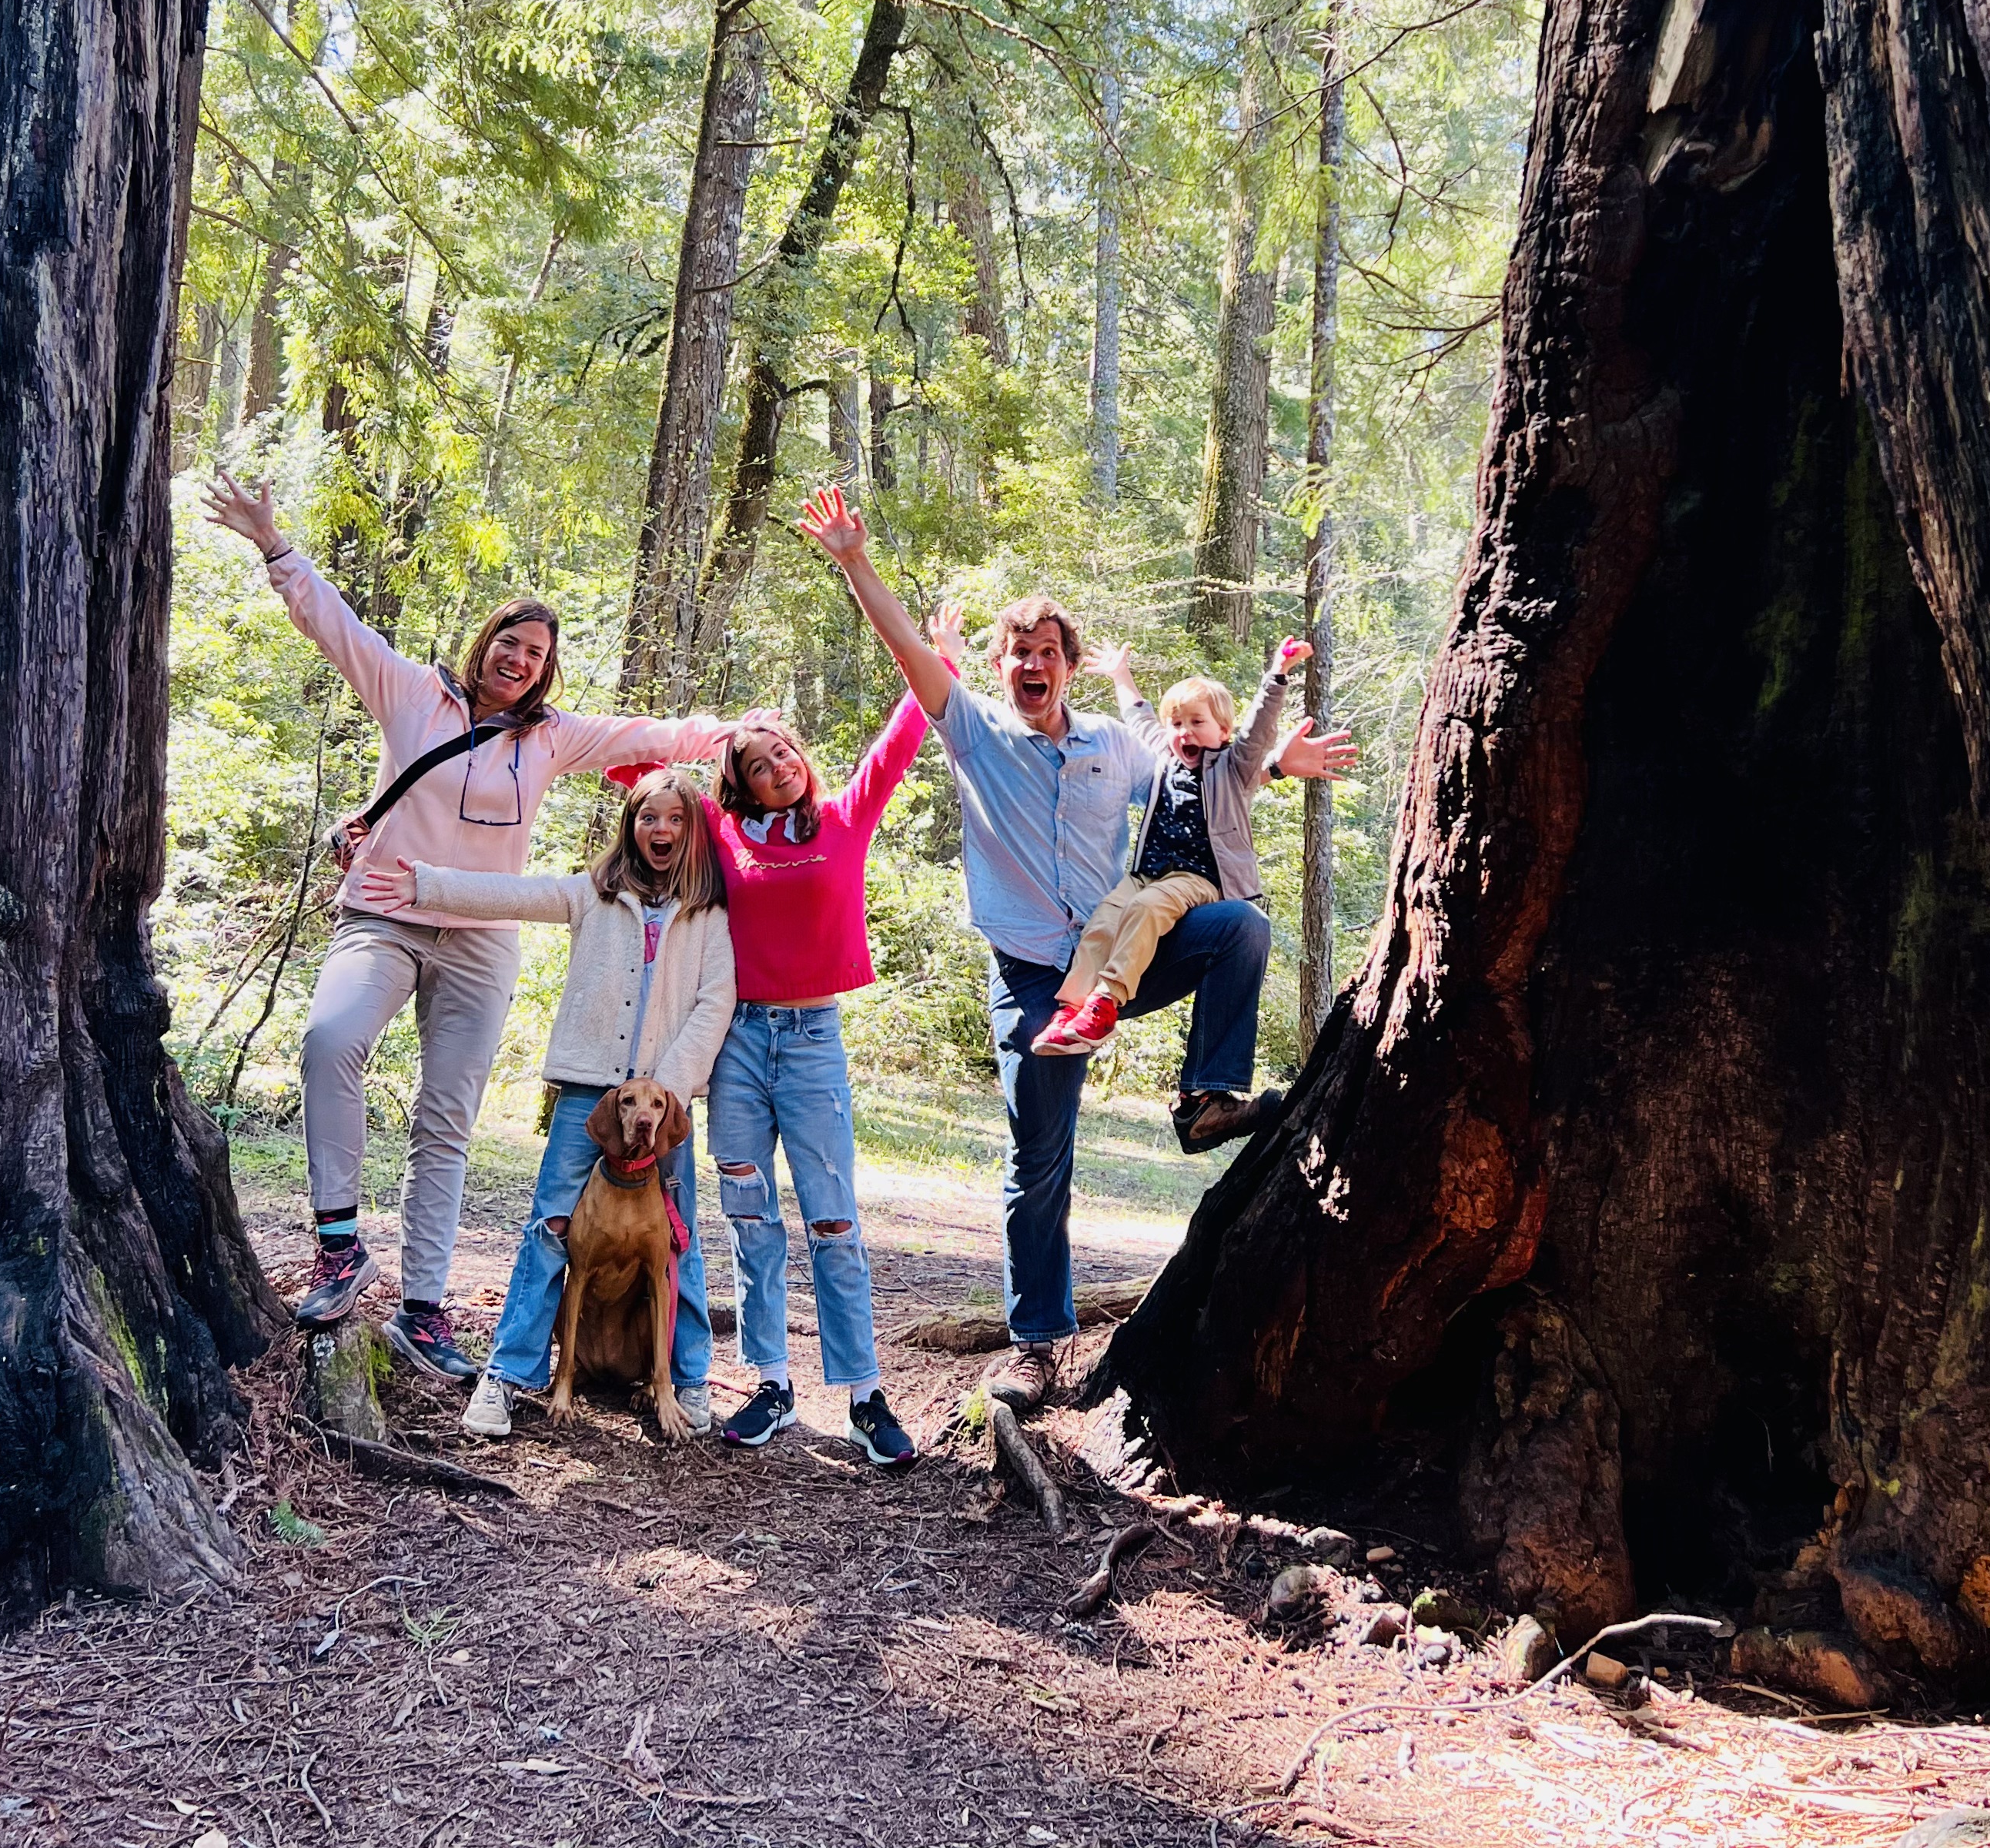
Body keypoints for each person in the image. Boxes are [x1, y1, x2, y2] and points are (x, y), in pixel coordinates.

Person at [795, 484, 1355, 1412]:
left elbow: (1201, 770)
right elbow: (903, 646)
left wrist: (1277, 763)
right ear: (1001, 664)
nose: (1033, 663)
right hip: (1031, 978)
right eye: (1020, 651)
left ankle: (1205, 1099)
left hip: (1118, 963)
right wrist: (855, 559)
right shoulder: (973, 732)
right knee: (1040, 1155)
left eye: (1048, 652)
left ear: (1068, 665)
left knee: (1240, 927)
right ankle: (1037, 1341)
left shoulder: (1111, 744)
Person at [202, 470, 729, 1380]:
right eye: (508, 642)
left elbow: (645, 733)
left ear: (545, 671)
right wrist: (272, 542)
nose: (518, 660)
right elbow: (333, 625)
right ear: (483, 643)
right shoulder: (411, 693)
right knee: (331, 1040)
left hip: (482, 943)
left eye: (535, 653)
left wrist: (725, 732)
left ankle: (425, 1309)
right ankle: (339, 1245)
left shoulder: (551, 736)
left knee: (446, 1120)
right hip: (385, 916)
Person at [615, 670, 947, 1469]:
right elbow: (635, 775)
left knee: (833, 1218)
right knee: (748, 1215)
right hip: (735, 1045)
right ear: (739, 784)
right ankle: (770, 1382)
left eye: (783, 754)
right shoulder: (721, 836)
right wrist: (719, 732)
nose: (777, 769)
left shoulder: (843, 817)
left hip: (811, 1042)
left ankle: (865, 1394)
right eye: (757, 765)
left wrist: (934, 656)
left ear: (802, 757)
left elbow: (904, 735)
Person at [359, 769, 734, 1442]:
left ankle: (687, 1375)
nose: (663, 831)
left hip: (662, 1102)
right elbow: (516, 894)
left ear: (693, 833)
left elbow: (715, 1004)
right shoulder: (596, 894)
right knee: (551, 1228)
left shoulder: (708, 914)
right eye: (650, 817)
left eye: (676, 820)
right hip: (589, 1089)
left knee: (678, 1239)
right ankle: (508, 1375)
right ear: (632, 825)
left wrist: (667, 1092)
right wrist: (427, 885)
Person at [1031, 634, 1315, 1057]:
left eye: (1197, 722)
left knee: (1146, 909)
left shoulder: (1234, 768)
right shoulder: (1164, 758)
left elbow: (1259, 731)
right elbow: (1137, 715)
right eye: (1178, 723)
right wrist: (1120, 674)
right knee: (1103, 921)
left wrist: (1278, 674)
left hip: (1200, 878)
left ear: (1222, 731)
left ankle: (1106, 1002)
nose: (1185, 732)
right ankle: (1071, 1009)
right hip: (1146, 873)